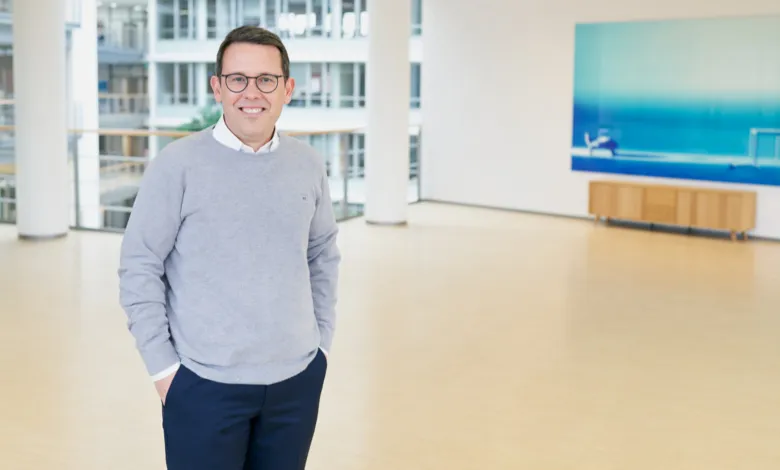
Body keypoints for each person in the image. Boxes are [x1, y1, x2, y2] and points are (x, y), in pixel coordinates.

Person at [117, 25, 340, 470]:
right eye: (237, 78)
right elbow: (139, 264)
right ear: (217, 87)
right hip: (203, 385)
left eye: (266, 79)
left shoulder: (307, 163)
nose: (251, 92)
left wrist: (322, 348)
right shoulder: (177, 165)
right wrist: (165, 372)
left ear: (287, 89)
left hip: (296, 381)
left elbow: (322, 254)